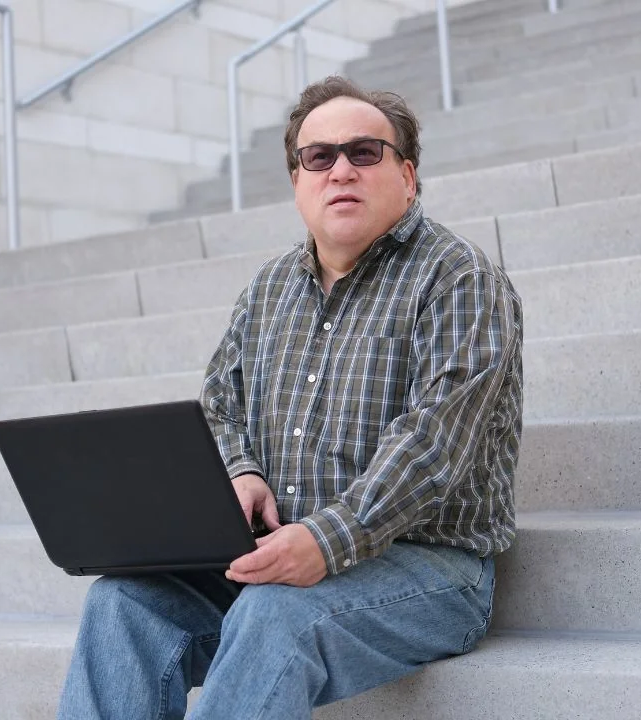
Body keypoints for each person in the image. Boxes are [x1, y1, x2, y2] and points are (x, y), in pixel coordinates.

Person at [57, 76, 524, 719]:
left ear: (408, 177)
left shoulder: (460, 278)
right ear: (297, 182)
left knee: (276, 614)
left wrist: (326, 541)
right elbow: (220, 398)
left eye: (365, 152)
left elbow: (433, 445)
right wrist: (241, 471)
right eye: (319, 156)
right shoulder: (270, 288)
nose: (341, 170)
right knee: (123, 604)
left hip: (430, 571)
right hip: (279, 554)